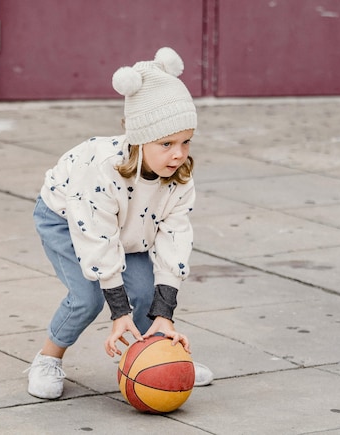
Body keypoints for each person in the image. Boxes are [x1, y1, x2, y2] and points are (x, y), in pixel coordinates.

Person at [27, 47, 214, 400]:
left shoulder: (179, 178)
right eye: (166, 143)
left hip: (133, 226)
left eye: (186, 141)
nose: (178, 153)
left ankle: (158, 358)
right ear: (139, 139)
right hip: (67, 219)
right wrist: (118, 312)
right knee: (86, 298)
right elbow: (96, 238)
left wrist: (165, 314)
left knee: (145, 293)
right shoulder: (101, 171)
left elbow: (175, 239)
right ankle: (47, 359)